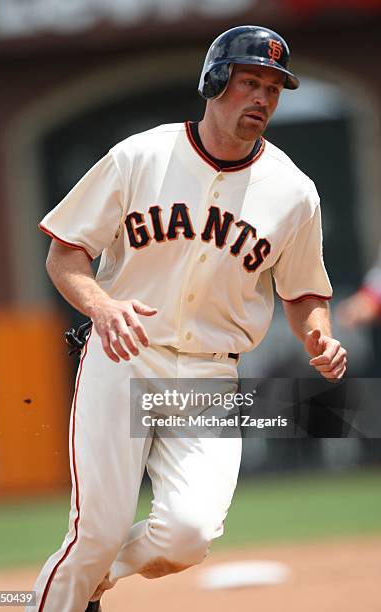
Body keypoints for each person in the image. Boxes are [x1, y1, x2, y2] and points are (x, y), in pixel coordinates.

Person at [29, 25, 347, 612]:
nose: (262, 98)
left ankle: (93, 573)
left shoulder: (294, 192)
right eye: (250, 81)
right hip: (123, 356)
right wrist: (102, 305)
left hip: (209, 373)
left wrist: (318, 335)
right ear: (214, 81)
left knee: (188, 535)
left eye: (274, 89)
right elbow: (65, 251)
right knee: (95, 531)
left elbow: (304, 293)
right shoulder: (140, 156)